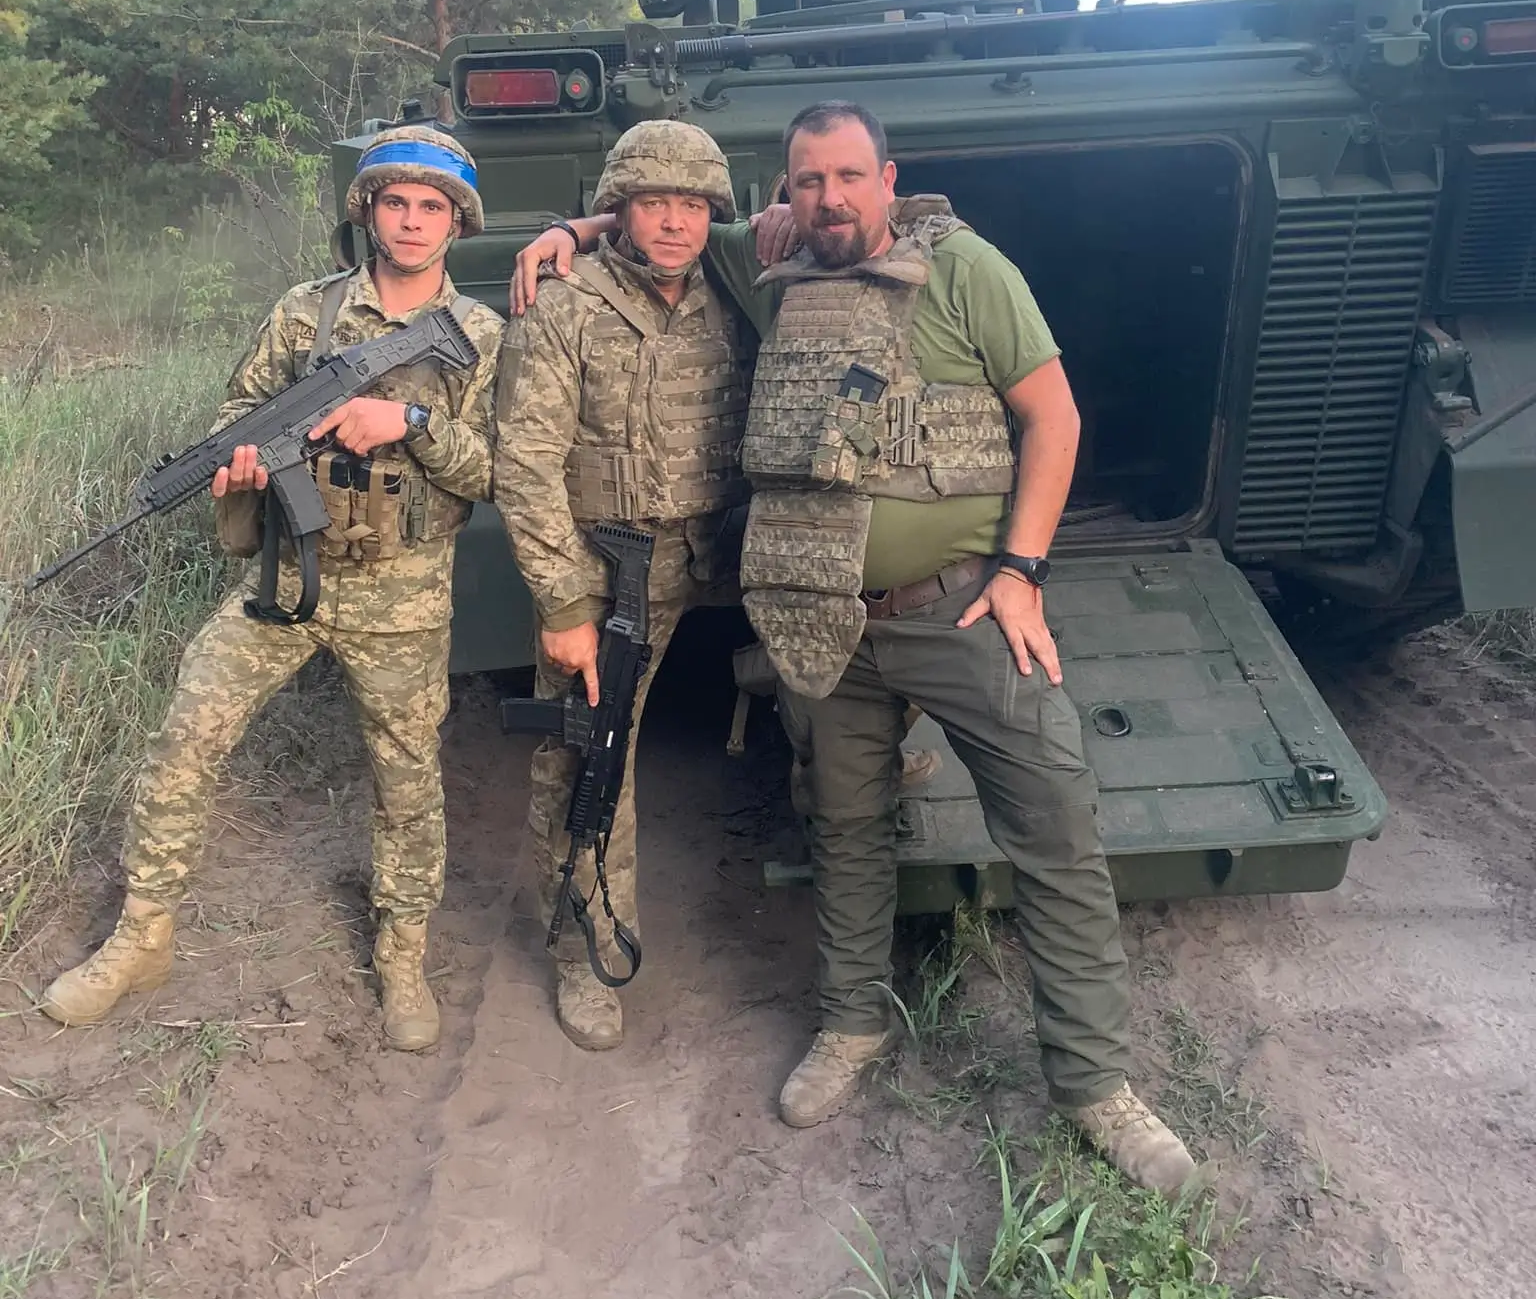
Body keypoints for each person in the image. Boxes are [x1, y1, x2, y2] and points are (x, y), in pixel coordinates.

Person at [514, 102, 1196, 1193]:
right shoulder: (766, 261)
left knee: (1058, 824)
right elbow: (663, 226)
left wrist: (1022, 570)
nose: (827, 198)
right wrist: (575, 228)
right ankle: (849, 1025)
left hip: (963, 609)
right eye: (805, 181)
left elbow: (1053, 419)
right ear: (783, 194)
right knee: (845, 828)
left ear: (889, 176)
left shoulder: (967, 270)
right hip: (825, 617)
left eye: (846, 176)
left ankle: (1094, 1085)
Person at [41, 128, 505, 1055]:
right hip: (288, 577)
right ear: (366, 211)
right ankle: (143, 934)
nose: (411, 222)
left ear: (456, 221)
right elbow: (236, 407)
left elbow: (490, 469)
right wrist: (243, 459)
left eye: (431, 207)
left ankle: (403, 950)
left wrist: (404, 420)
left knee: (406, 779)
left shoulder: (479, 334)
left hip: (404, 596)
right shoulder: (307, 311)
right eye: (395, 203)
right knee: (187, 733)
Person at [494, 122, 754, 1051]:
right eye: (653, 203)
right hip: (611, 572)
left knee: (846, 682)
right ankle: (583, 947)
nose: (676, 222)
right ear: (623, 211)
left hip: (725, 552)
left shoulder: (735, 286)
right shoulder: (565, 308)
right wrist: (564, 604)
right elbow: (522, 464)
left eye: (693, 205)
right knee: (586, 751)